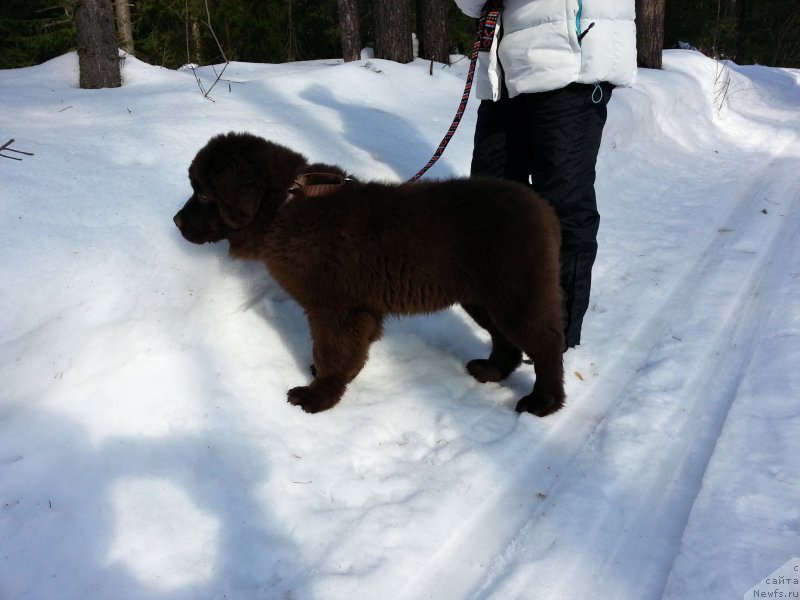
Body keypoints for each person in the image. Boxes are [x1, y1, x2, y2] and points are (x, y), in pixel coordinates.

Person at [454, 0, 637, 349]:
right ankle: (508, 321)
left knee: (562, 204)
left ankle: (553, 334)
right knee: (491, 202)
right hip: (506, 68)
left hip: (571, 62)